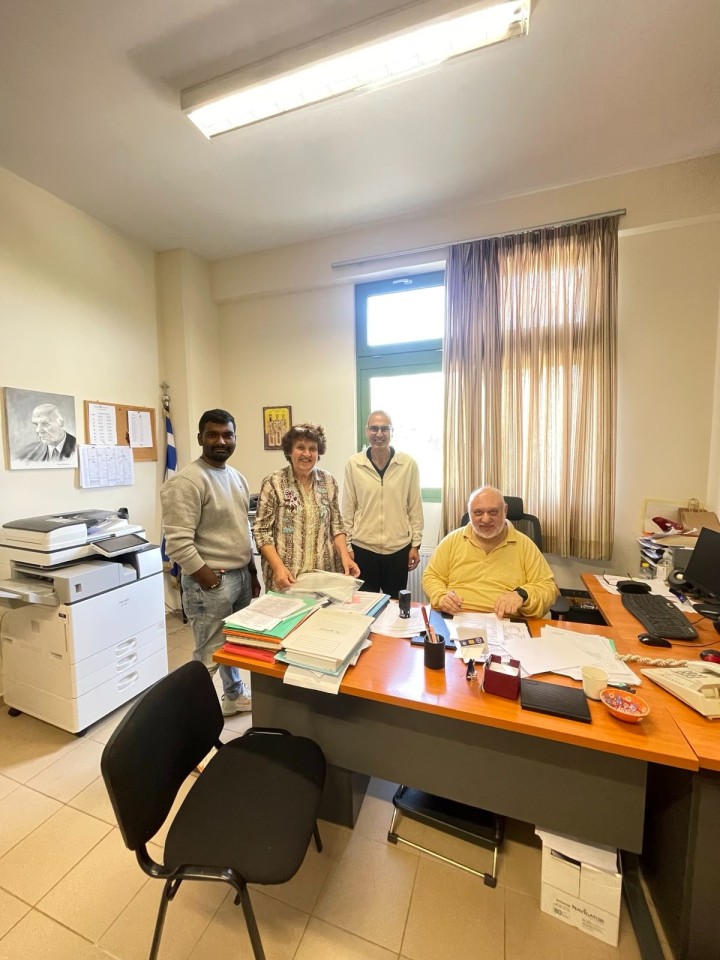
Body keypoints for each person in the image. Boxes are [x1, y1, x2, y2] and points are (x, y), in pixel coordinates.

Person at [160, 408, 259, 716]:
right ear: (200, 438)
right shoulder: (187, 481)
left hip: (240, 575)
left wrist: (252, 571)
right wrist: (209, 579)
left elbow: (243, 529)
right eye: (213, 435)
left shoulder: (236, 477)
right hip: (211, 581)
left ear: (235, 438)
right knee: (209, 654)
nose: (221, 441)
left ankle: (233, 696)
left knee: (232, 646)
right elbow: (177, 542)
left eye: (227, 435)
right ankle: (190, 719)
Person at [253, 422, 360, 592]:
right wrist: (278, 567)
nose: (307, 453)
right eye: (300, 447)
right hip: (287, 578)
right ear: (289, 451)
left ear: (318, 453)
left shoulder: (328, 481)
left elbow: (336, 526)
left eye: (312, 449)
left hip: (324, 575)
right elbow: (261, 531)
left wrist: (345, 557)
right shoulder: (274, 482)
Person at [422, 485, 558, 618]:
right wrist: (442, 596)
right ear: (469, 512)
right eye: (478, 512)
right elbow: (431, 576)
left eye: (493, 512)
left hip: (506, 621)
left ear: (505, 510)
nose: (486, 519)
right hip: (456, 618)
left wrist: (522, 595)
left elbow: (548, 588)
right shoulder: (451, 541)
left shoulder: (525, 545)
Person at [342, 410, 424, 599]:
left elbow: (415, 508)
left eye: (384, 429)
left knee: (395, 606)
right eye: (374, 428)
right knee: (364, 605)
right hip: (363, 549)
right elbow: (348, 508)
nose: (379, 434)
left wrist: (415, 545)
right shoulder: (354, 464)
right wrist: (347, 547)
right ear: (366, 431)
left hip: (398, 549)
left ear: (392, 432)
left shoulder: (408, 464)